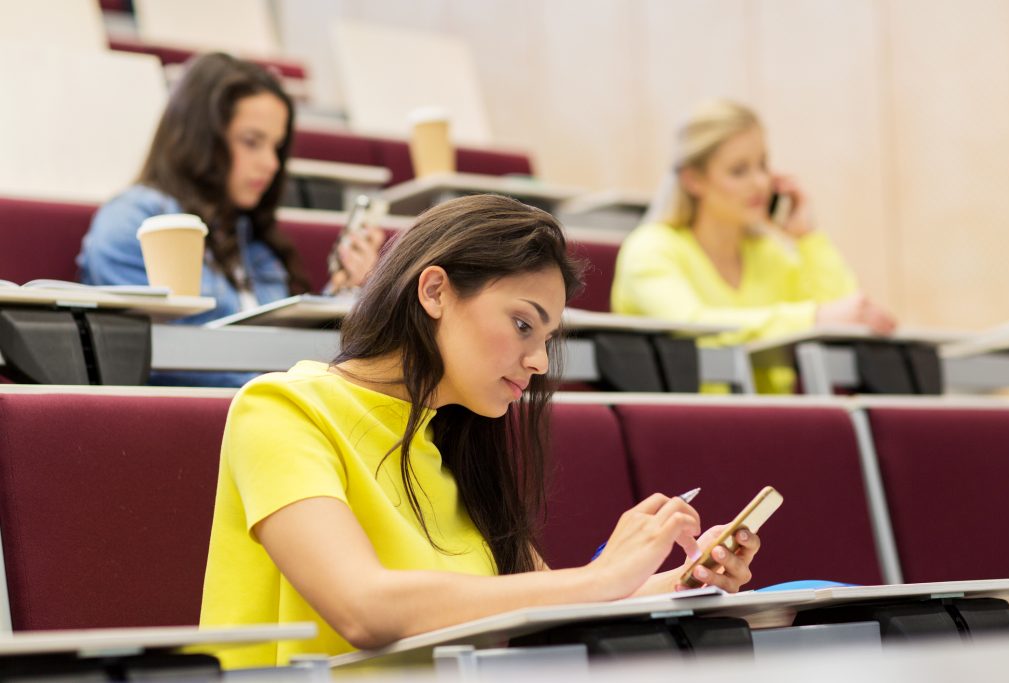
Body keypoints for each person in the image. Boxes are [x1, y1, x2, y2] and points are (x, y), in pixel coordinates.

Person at [197, 195, 761, 668]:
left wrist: (685, 580)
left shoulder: (452, 442)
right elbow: (364, 609)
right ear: (435, 291)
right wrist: (603, 577)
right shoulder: (280, 409)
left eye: (546, 339)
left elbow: (541, 601)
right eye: (522, 325)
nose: (539, 361)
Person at [76, 52, 383, 387]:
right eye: (252, 142)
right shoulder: (134, 223)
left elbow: (275, 343)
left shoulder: (249, 232)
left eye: (276, 148)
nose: (271, 164)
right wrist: (304, 386)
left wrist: (345, 293)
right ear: (200, 138)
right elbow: (163, 358)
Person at [611, 99, 896, 393]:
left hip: (770, 425)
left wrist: (807, 238)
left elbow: (850, 316)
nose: (761, 182)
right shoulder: (650, 250)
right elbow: (692, 327)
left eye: (763, 164)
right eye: (739, 171)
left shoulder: (768, 253)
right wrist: (811, 318)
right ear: (693, 180)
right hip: (682, 427)